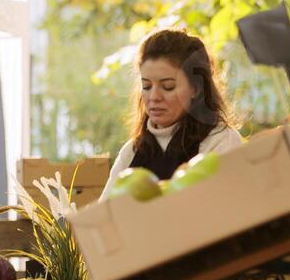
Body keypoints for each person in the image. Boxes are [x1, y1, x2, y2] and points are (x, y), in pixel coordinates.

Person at [101, 28, 244, 197]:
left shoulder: (220, 141)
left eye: (168, 86)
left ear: (196, 88)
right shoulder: (132, 151)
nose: (154, 97)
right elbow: (105, 215)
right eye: (146, 86)